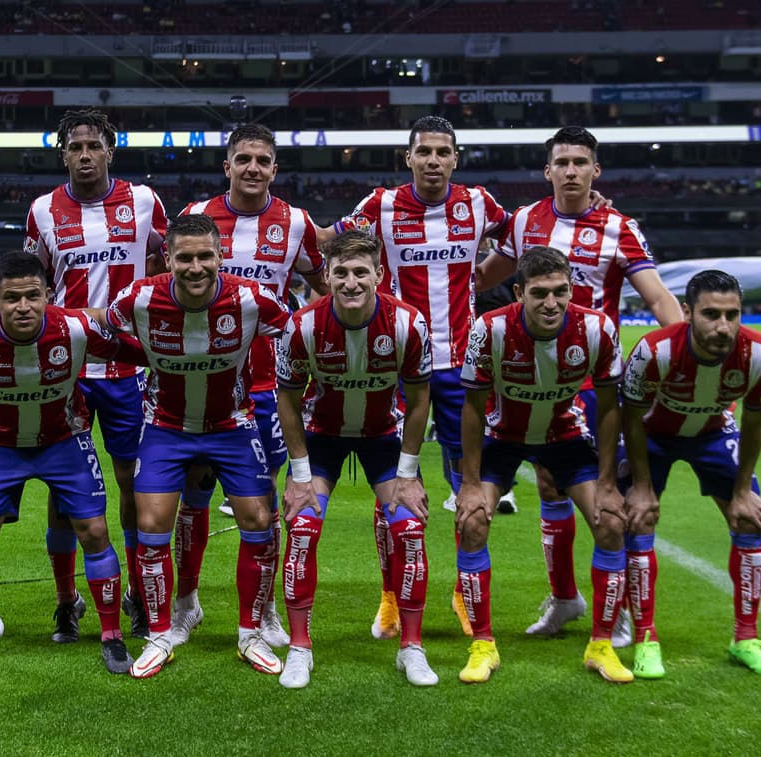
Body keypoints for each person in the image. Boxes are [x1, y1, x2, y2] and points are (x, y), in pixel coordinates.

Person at [476, 125, 681, 645]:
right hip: (526, 376)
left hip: (589, 381)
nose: (571, 171)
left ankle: (622, 608)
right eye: (562, 162)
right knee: (549, 486)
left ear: (596, 170)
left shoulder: (619, 227)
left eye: (580, 162)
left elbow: (657, 297)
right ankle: (565, 598)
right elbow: (480, 277)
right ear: (547, 171)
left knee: (605, 497)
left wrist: (681, 352)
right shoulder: (525, 220)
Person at [331, 115, 509, 640]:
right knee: (390, 486)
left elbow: (525, 237)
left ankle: (464, 593)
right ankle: (391, 597)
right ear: (408, 158)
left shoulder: (479, 203)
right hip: (391, 364)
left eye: (443, 152)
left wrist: (478, 279)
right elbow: (326, 244)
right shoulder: (379, 206)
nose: (433, 160)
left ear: (456, 159)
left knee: (468, 484)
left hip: (460, 369)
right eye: (424, 152)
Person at [0, 252, 133, 677]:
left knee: (94, 531)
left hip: (65, 441)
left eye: (32, 296)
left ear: (48, 295)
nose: (23, 306)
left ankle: (112, 636)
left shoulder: (74, 327)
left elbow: (130, 349)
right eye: (11, 298)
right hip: (0, 444)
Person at [104, 214, 290, 679]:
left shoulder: (252, 299)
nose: (195, 267)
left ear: (221, 256)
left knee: (259, 521)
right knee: (151, 524)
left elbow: (300, 332)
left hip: (233, 425)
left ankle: (250, 633)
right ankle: (160, 635)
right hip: (165, 427)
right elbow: (101, 328)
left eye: (205, 256)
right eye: (184, 257)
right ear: (167, 259)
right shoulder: (139, 298)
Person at [172, 123, 327, 651]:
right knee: (193, 497)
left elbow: (325, 288)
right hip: (202, 383)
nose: (253, 168)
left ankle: (263, 610)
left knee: (262, 501)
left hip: (266, 387)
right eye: (243, 159)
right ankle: (186, 602)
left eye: (262, 160)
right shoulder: (197, 216)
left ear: (274, 169)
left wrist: (309, 344)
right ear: (228, 166)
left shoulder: (296, 223)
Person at [455, 246, 632, 684]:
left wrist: (608, 482)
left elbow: (610, 407)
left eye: (560, 291)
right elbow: (473, 408)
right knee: (472, 521)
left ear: (571, 289)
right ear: (520, 293)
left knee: (611, 522)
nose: (551, 303)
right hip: (502, 436)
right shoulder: (490, 329)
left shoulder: (597, 329)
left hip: (564, 435)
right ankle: (482, 646)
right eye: (540, 293)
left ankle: (602, 646)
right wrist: (470, 483)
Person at [26, 108, 168, 642]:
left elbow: (167, 265)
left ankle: (137, 594)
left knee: (132, 480)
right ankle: (67, 600)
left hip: (130, 367)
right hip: (68, 370)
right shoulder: (43, 210)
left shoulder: (145, 201)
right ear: (63, 154)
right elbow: (34, 283)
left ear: (110, 150)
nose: (84, 155)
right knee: (64, 486)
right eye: (75, 147)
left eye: (93, 146)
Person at [274, 230, 437, 688]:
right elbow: (287, 401)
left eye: (361, 272)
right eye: (341, 272)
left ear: (379, 275)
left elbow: (419, 401)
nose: (351, 282)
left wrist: (408, 475)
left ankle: (411, 648)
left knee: (409, 527)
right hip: (321, 437)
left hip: (382, 435)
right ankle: (300, 649)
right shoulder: (302, 326)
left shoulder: (408, 323)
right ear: (326, 276)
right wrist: (299, 475)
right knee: (302, 528)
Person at [620, 269, 761, 678]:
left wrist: (743, 489)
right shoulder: (654, 350)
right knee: (638, 519)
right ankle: (645, 638)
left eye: (732, 315)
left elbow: (754, 422)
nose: (723, 326)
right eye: (711, 314)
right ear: (688, 312)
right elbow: (631, 418)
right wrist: (641, 485)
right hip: (652, 437)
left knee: (749, 519)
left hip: (713, 433)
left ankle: (745, 639)